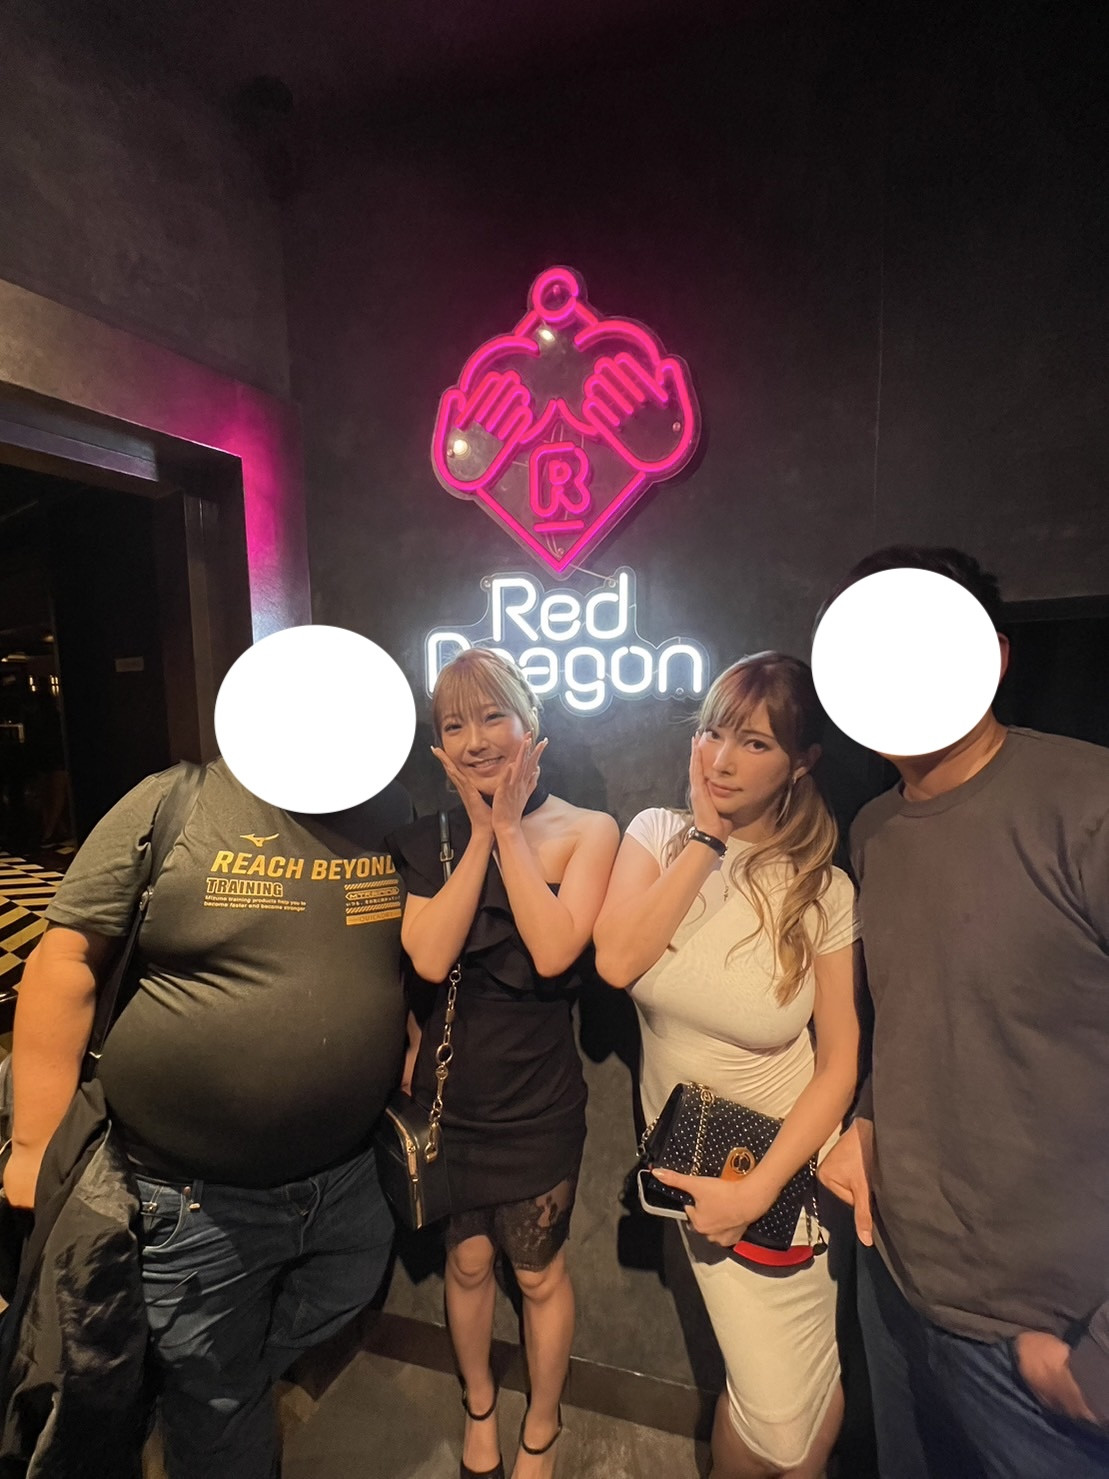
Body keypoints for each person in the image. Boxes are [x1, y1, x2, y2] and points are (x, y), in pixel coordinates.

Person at [3, 754, 413, 1478]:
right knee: (215, 1389)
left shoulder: (388, 808)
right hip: (193, 1199)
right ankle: (210, 1402)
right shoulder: (175, 801)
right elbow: (66, 959)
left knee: (310, 1315)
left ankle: (209, 1388)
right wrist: (34, 1143)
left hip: (350, 1183)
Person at [816, 546, 1109, 1479]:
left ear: (993, 657)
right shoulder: (871, 830)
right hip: (898, 1285)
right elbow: (915, 1011)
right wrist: (867, 1118)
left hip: (1049, 1336)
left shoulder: (1087, 803)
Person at [593, 652, 861, 1479]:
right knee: (779, 1411)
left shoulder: (823, 888)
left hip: (785, 1180)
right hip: (698, 1164)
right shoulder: (655, 835)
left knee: (789, 1418)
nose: (721, 758)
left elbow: (839, 1063)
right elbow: (616, 960)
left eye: (754, 742)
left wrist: (758, 1190)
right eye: (712, 731)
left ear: (801, 761)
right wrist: (706, 841)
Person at [386, 649, 618, 1479]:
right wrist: (481, 831)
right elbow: (427, 955)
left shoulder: (589, 830)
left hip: (538, 1098)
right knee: (467, 1260)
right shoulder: (427, 839)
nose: (476, 739)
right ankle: (479, 1406)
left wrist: (510, 829)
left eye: (492, 717)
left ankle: (542, 1426)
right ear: (438, 745)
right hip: (454, 1098)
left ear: (530, 724)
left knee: (538, 1270)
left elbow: (554, 951)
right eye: (454, 724)